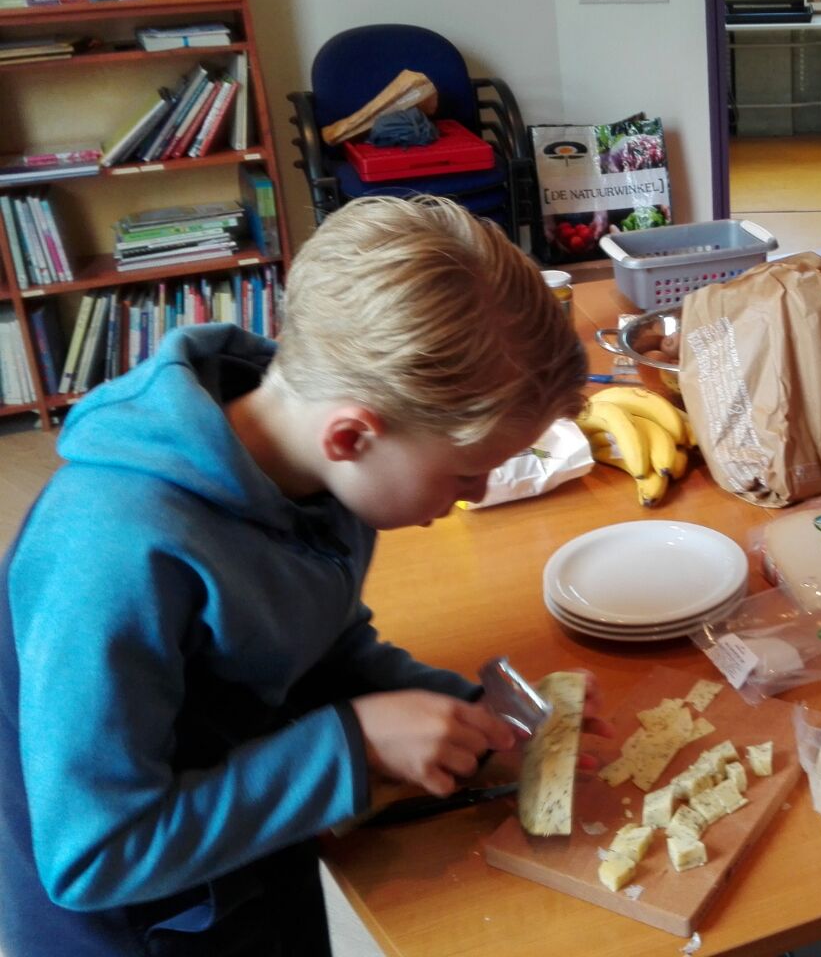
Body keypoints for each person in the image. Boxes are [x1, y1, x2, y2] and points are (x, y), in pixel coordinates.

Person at [0, 195, 595, 955]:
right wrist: (354, 749)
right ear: (352, 436)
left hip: (254, 833)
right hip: (139, 921)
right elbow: (93, 856)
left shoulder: (322, 470)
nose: (476, 495)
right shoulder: (111, 554)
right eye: (466, 472)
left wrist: (476, 713)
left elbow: (317, 644)